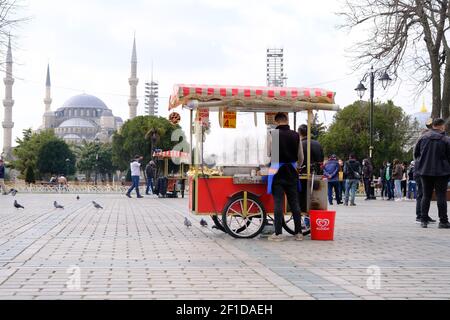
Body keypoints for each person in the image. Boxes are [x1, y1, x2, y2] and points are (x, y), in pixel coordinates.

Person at [267, 112, 304, 241]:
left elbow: (270, 154)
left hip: (277, 171)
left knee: (278, 202)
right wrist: (297, 165)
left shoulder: (274, 134)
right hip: (292, 172)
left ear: (277, 122)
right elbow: (301, 157)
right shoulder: (296, 135)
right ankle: (299, 233)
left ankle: (278, 233)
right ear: (287, 120)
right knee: (294, 202)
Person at [414, 118, 450, 229]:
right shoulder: (446, 139)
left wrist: (422, 164)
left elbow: (416, 154)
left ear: (433, 125)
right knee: (441, 196)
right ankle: (443, 221)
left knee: (426, 195)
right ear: (441, 126)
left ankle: (423, 220)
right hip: (441, 172)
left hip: (425, 171)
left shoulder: (423, 138)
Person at [298, 124, 324, 213]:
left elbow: (298, 159)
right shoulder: (317, 143)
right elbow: (321, 159)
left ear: (299, 133)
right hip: (316, 174)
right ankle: (313, 218)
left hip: (303, 173)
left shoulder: (300, 144)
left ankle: (305, 217)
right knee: (315, 196)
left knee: (303, 196)